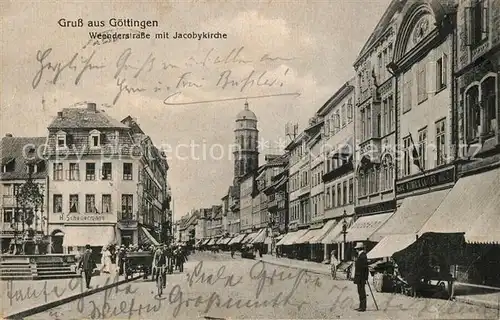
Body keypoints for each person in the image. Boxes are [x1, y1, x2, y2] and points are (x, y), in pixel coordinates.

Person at [353, 242, 369, 312]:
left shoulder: (363, 256)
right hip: (360, 277)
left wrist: (365, 277)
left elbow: (365, 268)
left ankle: (363, 307)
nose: (356, 250)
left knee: (361, 292)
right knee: (360, 291)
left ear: (359, 249)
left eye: (356, 249)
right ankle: (361, 306)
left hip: (361, 277)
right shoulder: (361, 255)